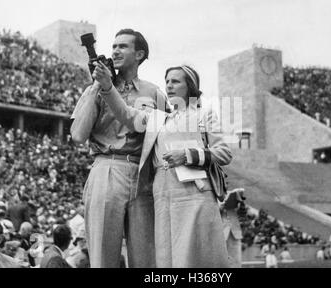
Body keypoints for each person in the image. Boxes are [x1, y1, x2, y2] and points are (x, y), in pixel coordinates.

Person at [93, 62, 232, 267]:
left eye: (175, 81)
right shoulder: (157, 118)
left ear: (190, 85)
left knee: (194, 258)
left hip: (194, 193)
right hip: (162, 193)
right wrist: (107, 87)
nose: (169, 85)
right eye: (167, 81)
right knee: (166, 258)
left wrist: (188, 155)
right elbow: (125, 114)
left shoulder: (204, 114)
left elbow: (224, 153)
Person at [70, 29, 168, 268]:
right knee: (103, 257)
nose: (115, 50)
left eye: (123, 46)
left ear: (140, 54)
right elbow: (78, 135)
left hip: (142, 171)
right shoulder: (93, 89)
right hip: (106, 167)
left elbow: (162, 137)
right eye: (113, 46)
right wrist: (97, 86)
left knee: (146, 258)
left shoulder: (153, 92)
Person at [220, 188, 245, 268]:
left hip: (235, 231)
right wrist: (221, 207)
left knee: (236, 257)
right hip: (222, 232)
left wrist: (239, 198)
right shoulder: (215, 197)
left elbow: (242, 212)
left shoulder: (232, 195)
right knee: (223, 258)